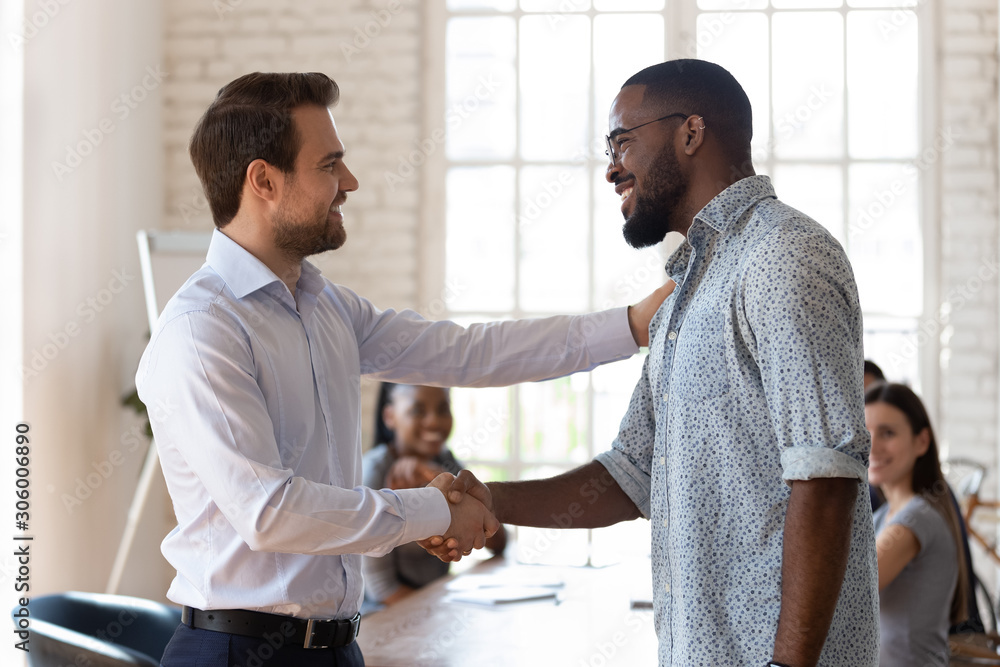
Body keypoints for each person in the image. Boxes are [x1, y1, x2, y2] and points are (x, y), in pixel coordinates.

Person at [136, 72, 673, 667]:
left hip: (338, 649)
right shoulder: (202, 328)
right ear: (264, 180)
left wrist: (630, 326)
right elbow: (271, 512)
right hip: (235, 653)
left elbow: (467, 352)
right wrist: (436, 510)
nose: (351, 183)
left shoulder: (325, 306)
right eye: (329, 165)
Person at [426, 59, 879, 666]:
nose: (612, 167)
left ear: (691, 133)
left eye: (622, 142)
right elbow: (630, 476)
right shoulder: (685, 295)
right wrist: (491, 500)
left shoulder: (782, 257)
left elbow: (825, 478)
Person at [361, 383, 506, 608]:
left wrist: (435, 475)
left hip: (433, 604)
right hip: (385, 617)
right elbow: (381, 588)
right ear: (390, 416)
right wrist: (442, 610)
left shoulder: (446, 461)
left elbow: (498, 538)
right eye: (418, 411)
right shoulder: (375, 470)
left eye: (442, 409)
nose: (434, 421)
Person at [865, 382, 968, 665]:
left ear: (921, 441)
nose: (872, 445)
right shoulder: (881, 517)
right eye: (865, 432)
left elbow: (854, 589)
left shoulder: (916, 516)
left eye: (888, 433)